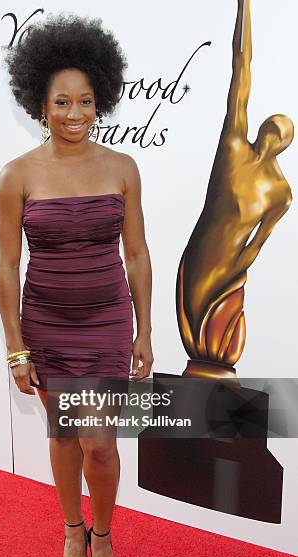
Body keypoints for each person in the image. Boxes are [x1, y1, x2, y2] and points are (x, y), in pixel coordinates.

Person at [0, 13, 153, 557]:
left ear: (101, 101)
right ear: (41, 104)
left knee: (100, 443)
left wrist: (144, 331)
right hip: (47, 324)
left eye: (86, 101)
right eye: (62, 102)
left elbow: (136, 254)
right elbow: (7, 268)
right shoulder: (16, 176)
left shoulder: (121, 168)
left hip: (108, 320)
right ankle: (71, 529)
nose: (75, 114)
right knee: (63, 436)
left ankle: (104, 535)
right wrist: (16, 346)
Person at [176, 0, 294, 379]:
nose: (271, 130)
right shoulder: (233, 147)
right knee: (194, 333)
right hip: (200, 255)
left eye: (281, 131)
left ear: (285, 143)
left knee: (215, 346)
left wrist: (232, 275)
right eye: (270, 124)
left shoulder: (280, 192)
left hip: (231, 270)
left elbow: (258, 243)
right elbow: (241, 69)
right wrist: (245, 7)